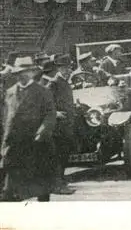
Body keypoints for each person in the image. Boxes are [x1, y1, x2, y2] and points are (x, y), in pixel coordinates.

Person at [1, 56, 57, 202]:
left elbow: (50, 114)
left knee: (41, 186)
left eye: (25, 72)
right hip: (15, 144)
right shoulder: (10, 92)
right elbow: (7, 118)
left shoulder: (42, 91)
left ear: (32, 72)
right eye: (19, 73)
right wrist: (5, 143)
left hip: (36, 143)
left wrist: (42, 132)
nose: (22, 75)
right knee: (10, 187)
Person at [42, 54, 76, 195]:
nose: (68, 70)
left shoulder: (64, 82)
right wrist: (56, 114)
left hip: (66, 125)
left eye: (69, 68)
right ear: (59, 69)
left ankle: (60, 182)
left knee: (64, 155)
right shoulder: (54, 83)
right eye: (65, 68)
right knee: (59, 157)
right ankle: (57, 186)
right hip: (58, 127)